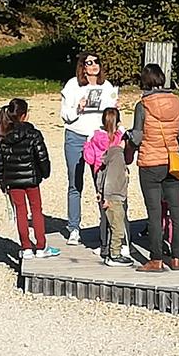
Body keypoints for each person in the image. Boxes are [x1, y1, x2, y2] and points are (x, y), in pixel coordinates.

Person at [128, 64, 179, 272]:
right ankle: (176, 257)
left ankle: (156, 259)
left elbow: (137, 137)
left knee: (154, 213)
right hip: (172, 161)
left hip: (150, 162)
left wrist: (129, 138)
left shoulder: (143, 105)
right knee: (176, 211)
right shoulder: (178, 102)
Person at [60, 51, 118, 246]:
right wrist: (78, 108)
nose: (94, 66)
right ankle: (74, 228)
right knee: (75, 183)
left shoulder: (106, 86)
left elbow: (110, 116)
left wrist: (115, 111)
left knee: (101, 184)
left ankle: (105, 226)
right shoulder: (72, 85)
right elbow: (65, 115)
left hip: (98, 138)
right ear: (82, 67)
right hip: (76, 136)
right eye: (89, 63)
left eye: (96, 62)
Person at [0, 98, 60, 260]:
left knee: (21, 212)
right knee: (36, 210)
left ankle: (26, 247)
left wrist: (1, 180)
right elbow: (42, 156)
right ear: (24, 115)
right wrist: (45, 172)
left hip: (12, 181)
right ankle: (41, 246)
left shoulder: (3, 134)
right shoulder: (33, 133)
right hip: (31, 178)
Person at [83, 107, 130, 261]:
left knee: (104, 211)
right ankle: (122, 243)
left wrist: (87, 144)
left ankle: (105, 245)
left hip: (101, 175)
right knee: (121, 208)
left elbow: (89, 158)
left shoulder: (96, 136)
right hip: (117, 175)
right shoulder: (120, 137)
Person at [95, 141, 133, 267]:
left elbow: (101, 175)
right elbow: (110, 179)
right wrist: (106, 197)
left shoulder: (111, 156)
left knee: (114, 226)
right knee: (118, 227)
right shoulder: (118, 157)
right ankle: (115, 255)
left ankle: (112, 252)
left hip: (111, 196)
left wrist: (100, 191)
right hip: (114, 197)